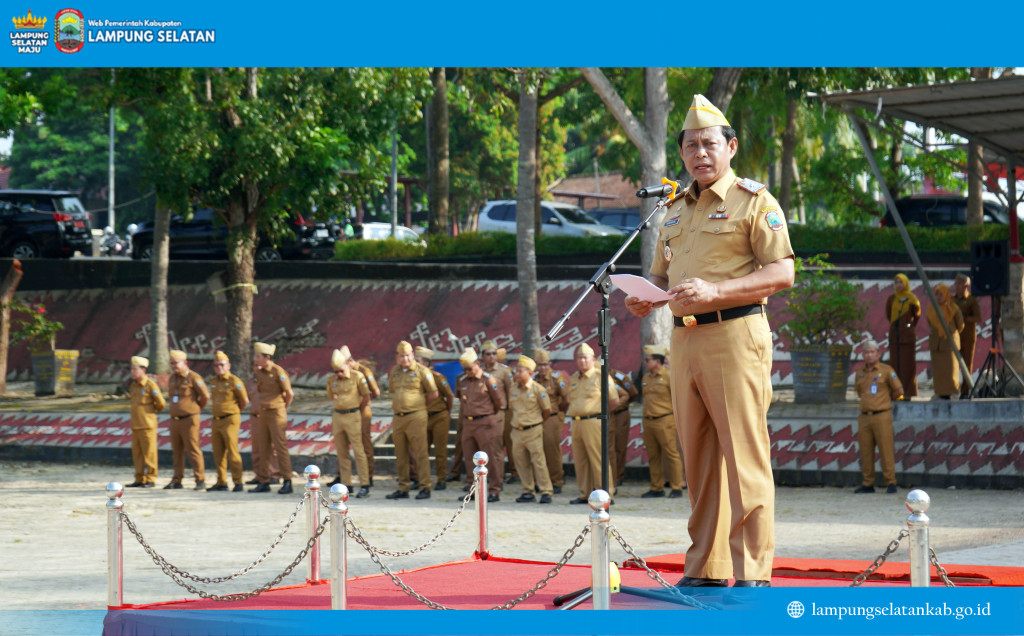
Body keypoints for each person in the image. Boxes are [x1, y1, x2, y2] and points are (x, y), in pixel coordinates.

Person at [624, 94, 795, 588]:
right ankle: (706, 567)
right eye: (691, 146)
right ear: (681, 155)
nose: (699, 153)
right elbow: (660, 276)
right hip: (685, 342)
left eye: (709, 144)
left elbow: (783, 271)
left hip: (736, 334)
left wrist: (717, 289)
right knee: (697, 461)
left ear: (730, 147)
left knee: (744, 457)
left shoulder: (754, 200)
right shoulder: (674, 209)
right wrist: (647, 301)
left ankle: (752, 573)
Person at [565, 342, 624, 505]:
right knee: (581, 460)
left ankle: (606, 494)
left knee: (598, 459)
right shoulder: (574, 378)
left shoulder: (601, 376)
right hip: (576, 422)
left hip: (594, 421)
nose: (582, 361)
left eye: (585, 358)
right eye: (579, 358)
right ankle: (585, 493)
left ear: (592, 359)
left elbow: (614, 401)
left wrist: (600, 414)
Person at [385, 341, 438, 500]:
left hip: (416, 416)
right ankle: (403, 487)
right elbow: (393, 391)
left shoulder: (422, 371)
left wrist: (420, 407)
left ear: (413, 356)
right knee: (401, 454)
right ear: (397, 357)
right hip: (399, 417)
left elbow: (433, 394)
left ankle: (425, 487)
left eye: (408, 355)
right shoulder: (394, 371)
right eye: (402, 356)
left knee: (420, 453)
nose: (405, 359)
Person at [454, 348, 505, 502]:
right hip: (468, 423)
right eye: (464, 369)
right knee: (470, 458)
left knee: (489, 457)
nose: (467, 372)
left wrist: (487, 415)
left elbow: (498, 402)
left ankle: (494, 489)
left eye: (469, 368)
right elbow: (460, 398)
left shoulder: (488, 380)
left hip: (485, 422)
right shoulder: (462, 380)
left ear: (477, 364)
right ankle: (473, 490)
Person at [853, 340, 903, 494]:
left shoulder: (887, 371)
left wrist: (886, 401)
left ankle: (890, 482)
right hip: (865, 416)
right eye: (866, 352)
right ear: (862, 355)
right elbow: (859, 392)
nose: (869, 355)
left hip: (882, 415)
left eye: (872, 352)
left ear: (878, 354)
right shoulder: (860, 373)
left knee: (885, 449)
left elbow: (899, 391)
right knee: (866, 450)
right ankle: (868, 483)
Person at [639, 345, 684, 499]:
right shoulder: (645, 378)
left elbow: (678, 399)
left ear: (657, 361)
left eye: (648, 360)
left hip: (665, 420)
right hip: (649, 421)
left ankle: (677, 486)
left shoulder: (669, 376)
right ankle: (656, 487)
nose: (645, 363)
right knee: (653, 456)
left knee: (671, 454)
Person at [508, 355, 554, 503]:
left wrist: (536, 423)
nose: (517, 373)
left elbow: (547, 410)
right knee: (521, 462)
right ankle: (528, 490)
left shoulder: (538, 389)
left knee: (539, 462)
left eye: (520, 371)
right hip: (517, 431)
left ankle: (546, 491)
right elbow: (511, 408)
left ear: (530, 373)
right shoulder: (513, 388)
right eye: (516, 370)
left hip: (533, 430)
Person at [250, 342, 295, 495]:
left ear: (267, 357)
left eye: (258, 356)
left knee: (280, 447)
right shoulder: (259, 372)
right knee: (263, 447)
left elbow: (289, 394)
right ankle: (264, 480)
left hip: (276, 412)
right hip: (263, 412)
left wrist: (281, 407)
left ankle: (287, 480)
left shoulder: (278, 372)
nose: (255, 359)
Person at [326, 346, 371, 498]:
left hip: (353, 416)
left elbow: (366, 396)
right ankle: (346, 484)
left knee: (359, 451)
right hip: (338, 417)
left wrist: (356, 409)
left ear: (346, 364)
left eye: (341, 370)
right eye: (336, 371)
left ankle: (364, 484)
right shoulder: (331, 379)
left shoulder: (357, 376)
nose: (338, 374)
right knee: (341, 452)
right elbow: (331, 395)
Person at [165, 349, 209, 490]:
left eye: (176, 363)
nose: (173, 366)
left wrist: (195, 409)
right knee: (176, 451)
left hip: (190, 419)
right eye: (171, 363)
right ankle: (177, 480)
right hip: (175, 420)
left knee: (193, 449)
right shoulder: (172, 378)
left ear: (185, 362)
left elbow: (205, 396)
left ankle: (200, 479)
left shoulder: (194, 377)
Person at [206, 350, 249, 492]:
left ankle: (238, 481)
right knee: (218, 452)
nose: (219, 368)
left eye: (222, 365)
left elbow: (244, 400)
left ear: (228, 365)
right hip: (216, 420)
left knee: (232, 450)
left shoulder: (234, 381)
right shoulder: (213, 381)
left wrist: (233, 411)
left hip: (230, 419)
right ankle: (221, 482)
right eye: (216, 365)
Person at [415, 346, 455, 491]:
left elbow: (449, 395)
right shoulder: (413, 379)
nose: (414, 363)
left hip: (439, 416)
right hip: (422, 418)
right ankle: (421, 480)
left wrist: (448, 411)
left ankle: (441, 479)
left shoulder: (437, 378)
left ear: (425, 363)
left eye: (417, 361)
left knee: (440, 450)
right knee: (421, 451)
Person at [532, 348, 569, 494]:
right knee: (536, 451)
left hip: (552, 418)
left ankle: (556, 481)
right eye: (540, 365)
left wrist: (558, 412)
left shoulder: (556, 379)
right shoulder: (533, 379)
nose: (543, 368)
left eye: (545, 364)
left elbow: (566, 400)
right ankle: (539, 481)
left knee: (552, 451)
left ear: (550, 364)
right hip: (535, 419)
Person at [126, 356, 165, 488]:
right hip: (136, 425)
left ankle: (151, 478)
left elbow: (161, 403)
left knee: (150, 454)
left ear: (143, 370)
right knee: (137, 454)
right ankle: (139, 478)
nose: (132, 372)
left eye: (135, 369)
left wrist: (149, 413)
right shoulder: (133, 386)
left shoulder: (150, 385)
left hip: (147, 425)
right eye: (131, 369)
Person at [480, 340, 513, 484]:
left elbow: (510, 392)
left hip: (500, 413)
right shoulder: (479, 371)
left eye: (494, 354)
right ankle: (485, 477)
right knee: (485, 447)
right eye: (488, 354)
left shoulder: (504, 371)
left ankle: (498, 479)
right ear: (483, 356)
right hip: (483, 413)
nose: (492, 357)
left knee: (497, 448)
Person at [245, 360, 281, 486]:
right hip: (256, 417)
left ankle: (274, 474)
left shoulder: (272, 378)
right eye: (255, 365)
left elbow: (286, 395)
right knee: (256, 447)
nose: (258, 368)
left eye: (260, 365)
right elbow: (247, 398)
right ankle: (260, 475)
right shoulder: (250, 382)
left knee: (271, 447)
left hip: (269, 415)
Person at [886, 273, 921, 398]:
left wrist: (907, 326)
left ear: (906, 283)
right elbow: (888, 315)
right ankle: (895, 393)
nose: (898, 285)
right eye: (896, 282)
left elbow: (916, 317)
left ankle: (908, 393)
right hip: (895, 336)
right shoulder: (891, 299)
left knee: (908, 366)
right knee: (895, 366)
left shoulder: (912, 299)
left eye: (901, 282)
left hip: (907, 338)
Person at [927, 283, 965, 399]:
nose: (939, 297)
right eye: (937, 294)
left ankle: (953, 392)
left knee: (951, 369)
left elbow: (960, 325)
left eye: (941, 294)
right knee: (938, 370)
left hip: (949, 343)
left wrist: (950, 331)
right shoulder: (931, 309)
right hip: (936, 343)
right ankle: (939, 392)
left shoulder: (953, 308)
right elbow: (930, 323)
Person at [349, 352, 381, 488]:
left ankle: (369, 475)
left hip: (362, 411)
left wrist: (362, 403)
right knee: (344, 443)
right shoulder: (344, 372)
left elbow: (375, 392)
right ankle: (342, 475)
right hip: (348, 411)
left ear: (350, 360)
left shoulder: (364, 371)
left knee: (365, 441)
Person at [952, 273, 982, 397]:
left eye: (960, 283)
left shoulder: (971, 300)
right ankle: (951, 390)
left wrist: (964, 318)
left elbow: (978, 318)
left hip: (968, 337)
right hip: (954, 336)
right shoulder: (951, 300)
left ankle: (965, 392)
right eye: (956, 283)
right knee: (952, 364)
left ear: (966, 285)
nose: (957, 286)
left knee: (966, 364)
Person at [608, 366, 639, 486]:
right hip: (608, 416)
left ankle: (618, 476)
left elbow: (632, 393)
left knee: (619, 446)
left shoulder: (619, 377)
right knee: (609, 447)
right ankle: (610, 475)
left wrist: (619, 406)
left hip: (620, 414)